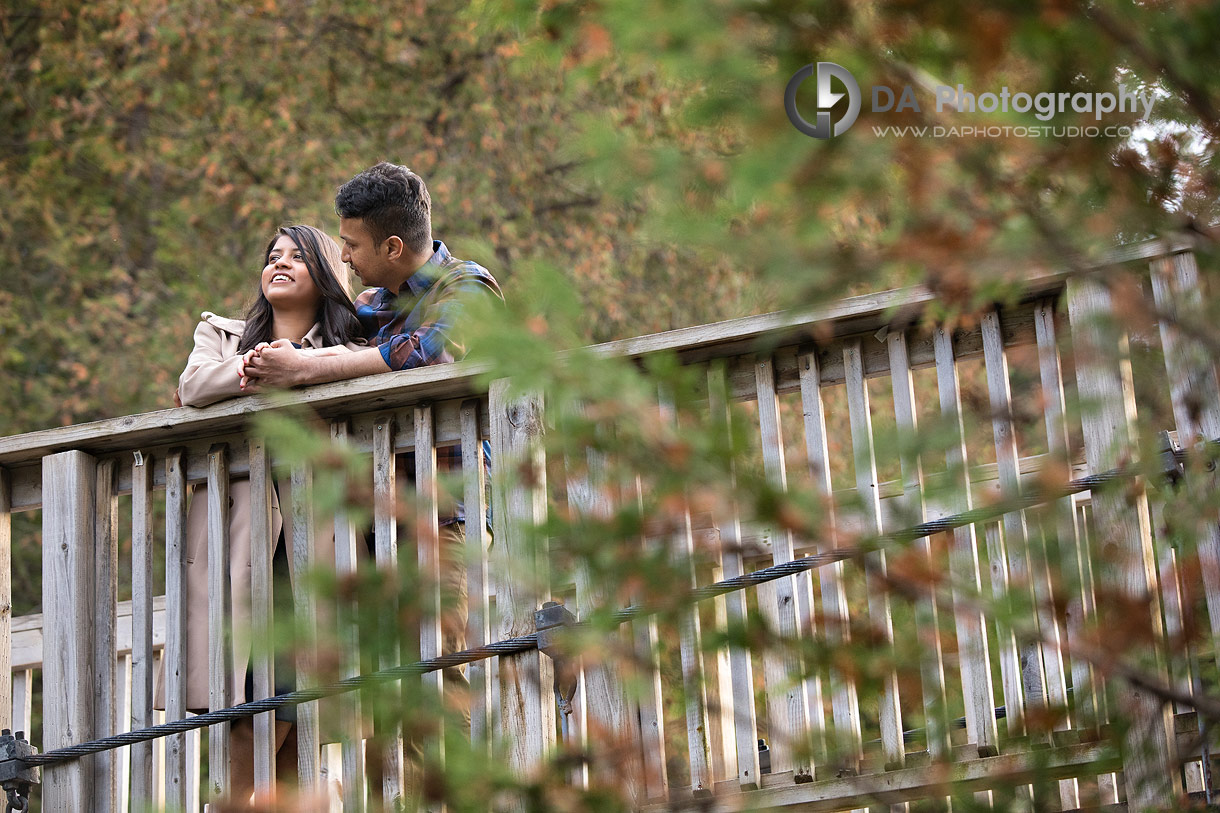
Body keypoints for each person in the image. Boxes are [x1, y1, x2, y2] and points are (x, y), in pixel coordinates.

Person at [239, 162, 503, 748]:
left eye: (352, 246)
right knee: (388, 675)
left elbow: (425, 354)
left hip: (445, 514)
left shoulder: (466, 286)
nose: (345, 258)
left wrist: (305, 369)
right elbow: (319, 336)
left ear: (392, 245)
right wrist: (231, 364)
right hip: (376, 517)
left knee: (436, 664)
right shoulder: (371, 303)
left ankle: (460, 788)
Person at [162, 224, 365, 802]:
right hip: (240, 542)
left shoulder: (350, 345)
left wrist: (299, 366)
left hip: (318, 542)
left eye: (297, 257)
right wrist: (259, 368)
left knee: (298, 720)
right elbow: (193, 385)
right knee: (251, 717)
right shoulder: (221, 333)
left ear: (326, 274)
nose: (280, 263)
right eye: (273, 256)